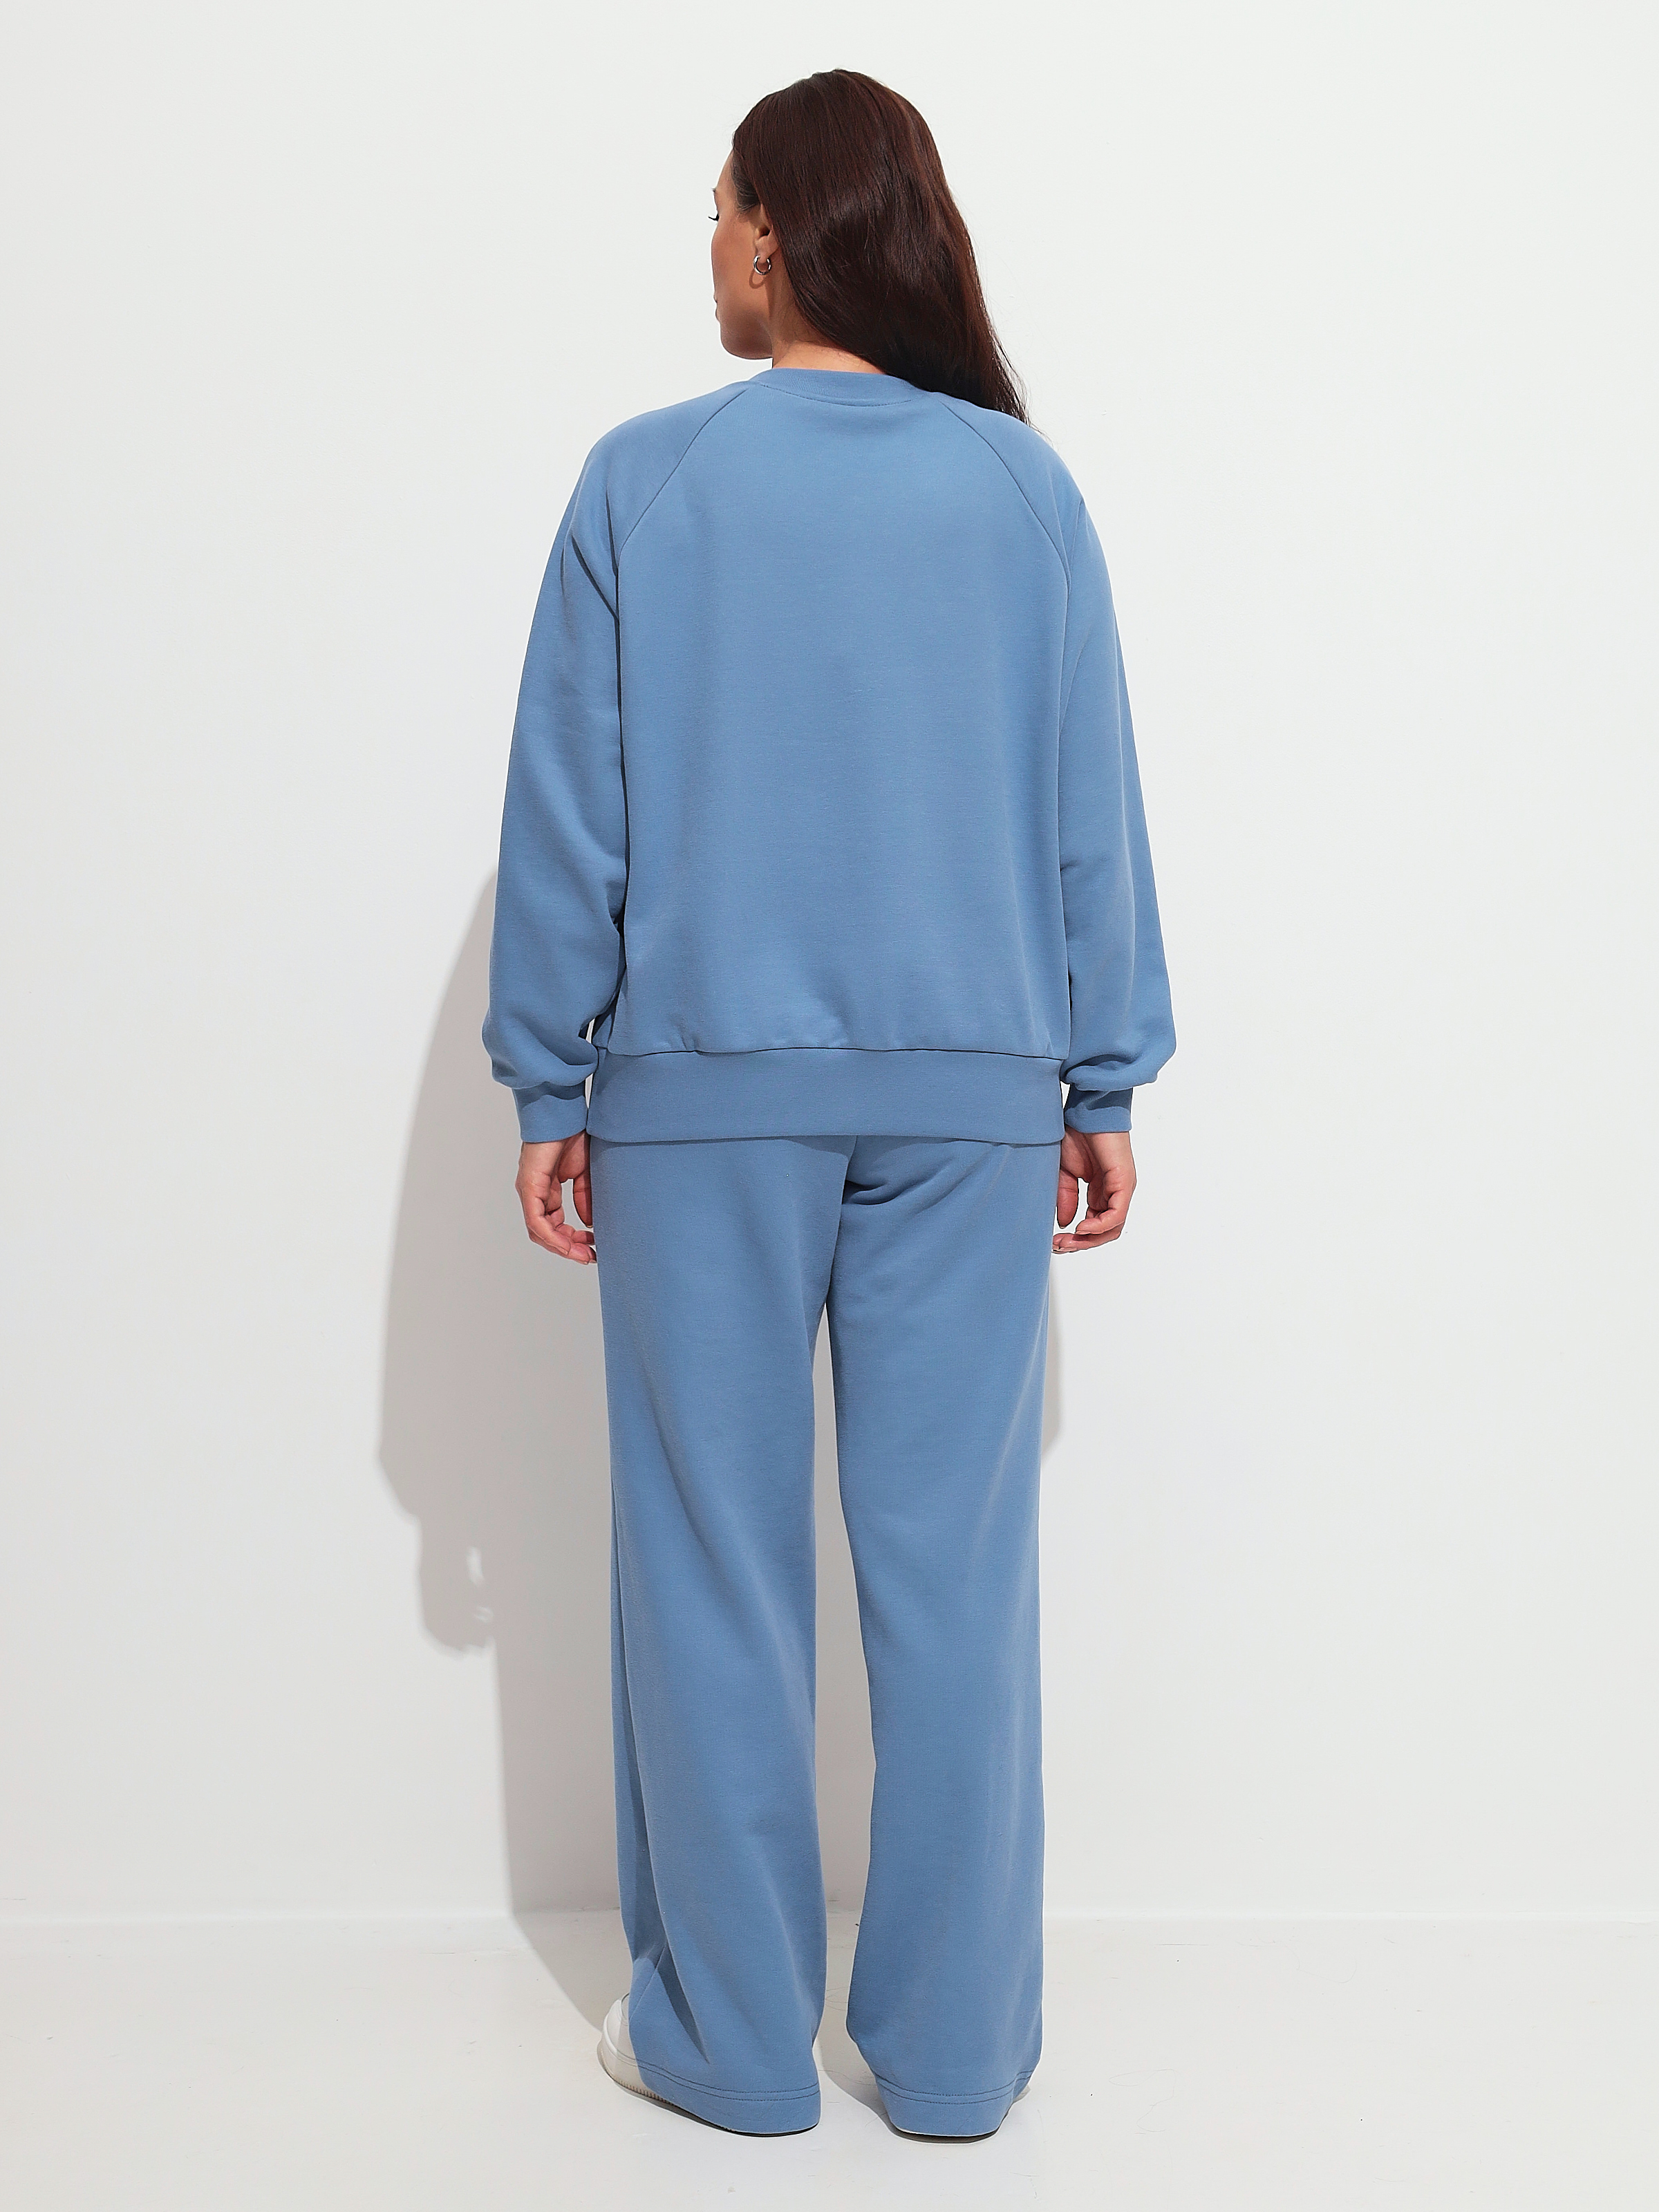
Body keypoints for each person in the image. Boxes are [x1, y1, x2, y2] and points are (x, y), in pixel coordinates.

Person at [481, 68, 1175, 2141]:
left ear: (779, 233)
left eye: (720, 209)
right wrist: (1105, 1064)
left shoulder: (647, 484)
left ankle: (725, 2041)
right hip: (974, 1100)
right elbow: (1088, 801)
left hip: (699, 1096)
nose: (707, 245)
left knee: (714, 1563)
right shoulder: (1022, 494)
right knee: (956, 1574)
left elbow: (570, 808)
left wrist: (548, 1070)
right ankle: (954, 2059)